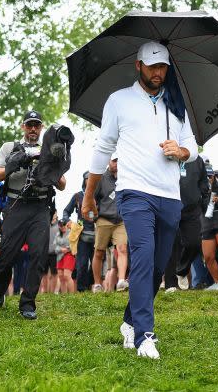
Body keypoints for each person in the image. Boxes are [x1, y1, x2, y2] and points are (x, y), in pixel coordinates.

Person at [83, 41, 198, 360]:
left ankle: (129, 322)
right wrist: (89, 195)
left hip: (170, 195)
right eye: (152, 66)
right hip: (134, 192)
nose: (158, 73)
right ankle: (146, 336)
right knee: (144, 257)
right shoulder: (118, 101)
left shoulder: (176, 104)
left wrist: (182, 151)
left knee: (160, 266)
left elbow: (192, 145)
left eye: (162, 67)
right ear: (138, 66)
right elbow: (103, 148)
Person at [0, 110, 67, 319]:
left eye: (37, 125)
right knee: (6, 256)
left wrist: (48, 163)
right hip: (15, 205)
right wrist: (17, 161)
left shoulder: (49, 149)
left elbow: (62, 184)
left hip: (40, 207)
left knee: (38, 255)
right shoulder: (9, 147)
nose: (33, 129)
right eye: (29, 125)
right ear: (23, 126)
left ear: (41, 128)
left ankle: (28, 303)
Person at [164, 155, 208, 292]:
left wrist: (204, 203)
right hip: (170, 205)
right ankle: (170, 284)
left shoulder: (197, 159)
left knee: (194, 243)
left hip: (192, 208)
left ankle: (182, 271)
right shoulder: (168, 156)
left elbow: (203, 182)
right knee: (171, 245)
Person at [89, 159, 129, 293]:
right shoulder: (101, 177)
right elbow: (92, 197)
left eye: (118, 161)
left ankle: (122, 281)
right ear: (108, 162)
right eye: (114, 161)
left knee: (122, 249)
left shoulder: (125, 176)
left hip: (121, 220)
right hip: (104, 219)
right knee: (99, 252)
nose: (116, 163)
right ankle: (97, 284)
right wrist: (94, 215)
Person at [61, 174, 95, 292]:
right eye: (87, 178)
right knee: (82, 264)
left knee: (96, 265)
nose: (90, 180)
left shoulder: (99, 195)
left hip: (98, 234)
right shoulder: (77, 196)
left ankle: (93, 287)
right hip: (81, 235)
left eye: (92, 178)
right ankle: (81, 290)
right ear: (84, 180)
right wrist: (68, 221)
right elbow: (66, 211)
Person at [54, 220, 75, 293]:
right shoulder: (57, 234)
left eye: (64, 225)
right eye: (61, 225)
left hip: (69, 255)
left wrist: (67, 249)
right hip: (59, 256)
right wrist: (61, 249)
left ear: (66, 224)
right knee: (60, 276)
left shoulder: (71, 232)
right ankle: (64, 295)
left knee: (67, 275)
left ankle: (72, 296)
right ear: (59, 226)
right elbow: (55, 246)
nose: (63, 227)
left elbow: (73, 244)